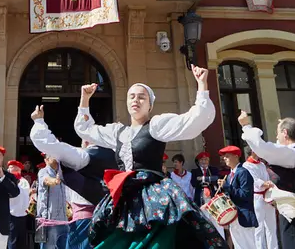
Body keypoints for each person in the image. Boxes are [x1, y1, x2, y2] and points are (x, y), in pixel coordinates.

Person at [73, 65, 225, 248]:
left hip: (154, 197)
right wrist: (85, 100)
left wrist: (202, 85)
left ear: (150, 105)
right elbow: (85, 130)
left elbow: (194, 120)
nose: (136, 100)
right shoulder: (118, 132)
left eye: (141, 97)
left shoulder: (156, 126)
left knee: (156, 241)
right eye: (132, 96)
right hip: (124, 197)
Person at [29, 105, 118, 249]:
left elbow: (49, 145)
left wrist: (39, 122)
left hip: (85, 222)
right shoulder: (118, 156)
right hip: (109, 220)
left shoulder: (84, 157)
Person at [239, 112, 295, 249]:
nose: (276, 136)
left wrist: (246, 125)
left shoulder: (293, 154)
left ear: (285, 133)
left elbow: (263, 148)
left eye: (278, 133)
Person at [219, 145, 257, 249]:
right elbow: (231, 195)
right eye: (224, 156)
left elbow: (246, 195)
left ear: (236, 156)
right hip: (234, 218)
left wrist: (227, 187)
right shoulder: (230, 174)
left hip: (243, 216)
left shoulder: (243, 172)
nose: (224, 158)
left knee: (250, 246)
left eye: (227, 156)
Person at [242, 150, 277, 249]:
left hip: (268, 195)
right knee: (259, 228)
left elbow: (267, 177)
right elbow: (255, 180)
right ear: (253, 151)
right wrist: (266, 184)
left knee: (271, 226)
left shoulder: (261, 164)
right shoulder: (246, 165)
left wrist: (270, 183)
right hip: (257, 197)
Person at [36, 154, 68, 249]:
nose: (57, 158)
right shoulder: (43, 171)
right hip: (48, 220)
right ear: (46, 160)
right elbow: (46, 180)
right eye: (53, 156)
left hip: (63, 220)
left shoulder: (61, 173)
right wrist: (55, 181)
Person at [190, 151, 224, 238]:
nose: (204, 161)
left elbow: (217, 178)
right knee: (204, 224)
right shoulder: (194, 171)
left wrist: (202, 179)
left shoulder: (214, 169)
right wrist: (209, 179)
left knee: (218, 223)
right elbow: (194, 182)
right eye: (202, 160)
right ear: (198, 161)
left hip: (214, 200)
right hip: (202, 201)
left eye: (206, 159)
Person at [6, 160, 30, 249]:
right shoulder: (7, 180)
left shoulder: (24, 181)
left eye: (13, 167)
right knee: (12, 241)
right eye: (10, 168)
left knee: (21, 241)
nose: (10, 169)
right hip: (11, 214)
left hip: (23, 215)